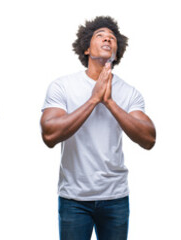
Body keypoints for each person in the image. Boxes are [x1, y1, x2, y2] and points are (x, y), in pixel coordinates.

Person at [40, 16, 156, 240]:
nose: (107, 39)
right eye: (100, 35)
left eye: (112, 38)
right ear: (86, 48)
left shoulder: (129, 92)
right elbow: (49, 134)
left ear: (117, 50)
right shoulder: (62, 86)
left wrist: (110, 103)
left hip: (115, 198)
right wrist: (93, 100)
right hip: (74, 199)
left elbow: (149, 138)